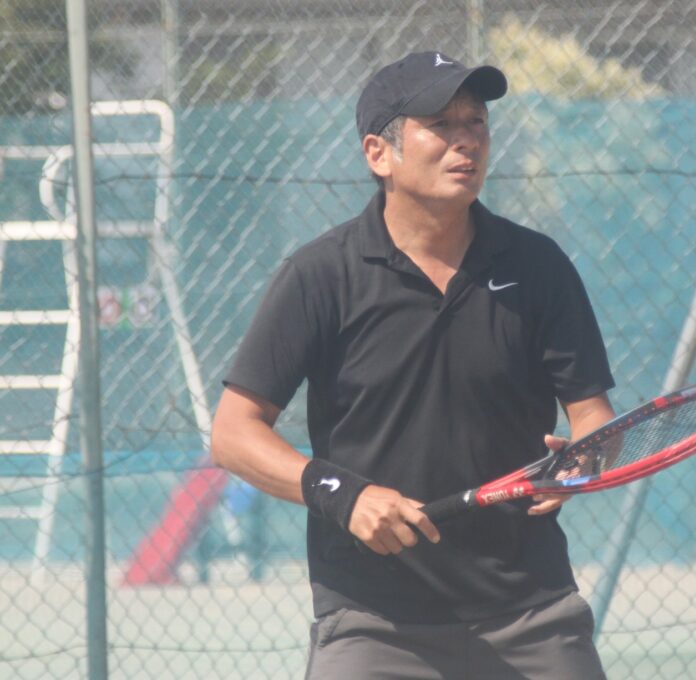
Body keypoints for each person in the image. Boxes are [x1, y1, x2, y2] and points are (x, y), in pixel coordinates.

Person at [210, 50, 616, 680]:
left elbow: (595, 419)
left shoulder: (539, 266)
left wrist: (585, 458)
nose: (466, 140)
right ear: (379, 154)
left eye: (476, 122)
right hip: (372, 624)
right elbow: (233, 434)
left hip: (532, 615)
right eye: (441, 124)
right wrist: (344, 495)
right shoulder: (319, 275)